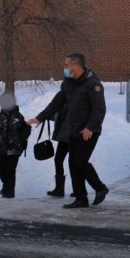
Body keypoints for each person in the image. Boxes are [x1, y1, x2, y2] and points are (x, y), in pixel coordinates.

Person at [29, 53, 108, 209]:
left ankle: (100, 188)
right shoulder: (68, 84)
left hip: (89, 131)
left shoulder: (93, 84)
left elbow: (99, 109)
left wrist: (90, 127)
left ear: (76, 66)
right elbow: (56, 103)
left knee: (80, 161)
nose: (64, 68)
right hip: (73, 130)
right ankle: (81, 199)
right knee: (73, 163)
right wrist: (40, 118)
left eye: (66, 65)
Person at [0, 92, 32, 198]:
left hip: (15, 149)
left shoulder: (19, 117)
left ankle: (9, 192)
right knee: (0, 169)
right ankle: (6, 186)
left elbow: (27, 128)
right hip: (1, 148)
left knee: (10, 170)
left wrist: (21, 137)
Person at [35, 87, 70, 197]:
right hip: (64, 138)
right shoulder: (61, 104)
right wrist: (44, 117)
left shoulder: (75, 103)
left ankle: (78, 190)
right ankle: (59, 189)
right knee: (58, 160)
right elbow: (56, 116)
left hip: (74, 137)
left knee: (75, 163)